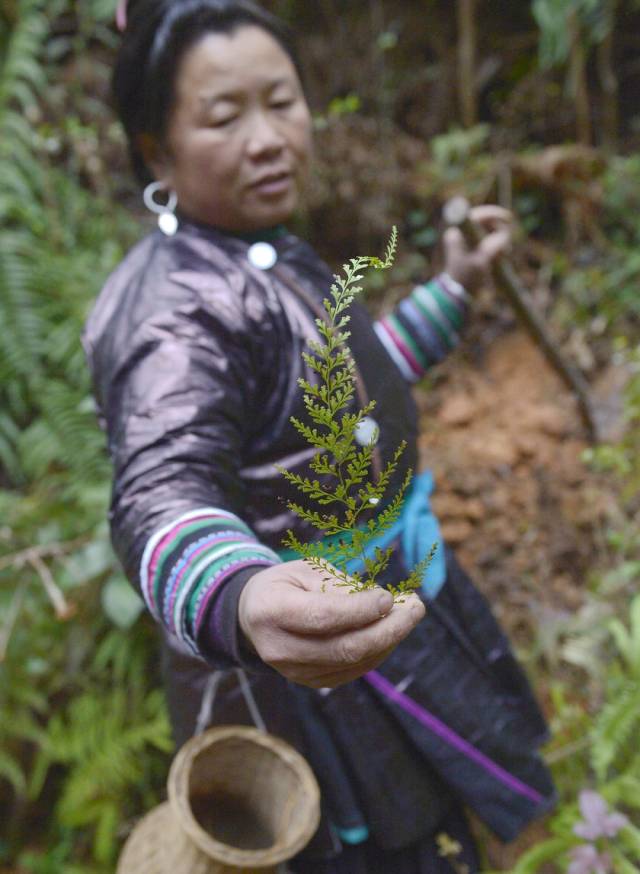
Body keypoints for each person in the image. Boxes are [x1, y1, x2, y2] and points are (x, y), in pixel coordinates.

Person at [84, 2, 555, 870]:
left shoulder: (257, 247)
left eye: (282, 101)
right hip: (306, 674)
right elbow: (159, 488)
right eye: (225, 116)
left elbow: (341, 399)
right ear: (156, 149)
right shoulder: (171, 315)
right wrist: (239, 592)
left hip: (385, 614)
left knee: (442, 829)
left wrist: (452, 289)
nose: (268, 138)